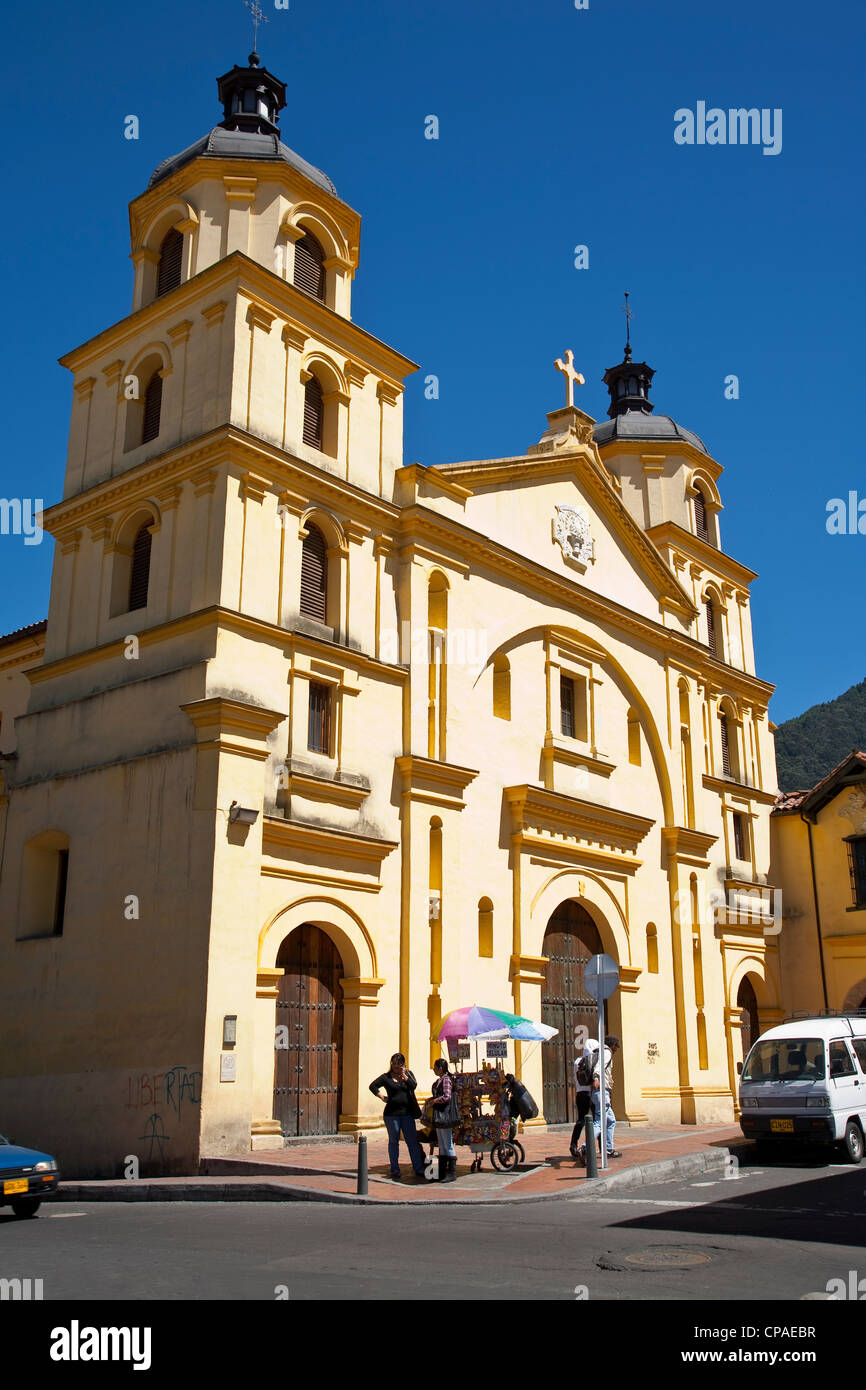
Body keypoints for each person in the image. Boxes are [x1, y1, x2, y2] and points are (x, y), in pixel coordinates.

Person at [369, 1053, 426, 1180]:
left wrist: (404, 1076)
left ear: (403, 1065)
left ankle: (418, 1167)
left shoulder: (408, 1075)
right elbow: (372, 1086)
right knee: (393, 1141)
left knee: (412, 1141)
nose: (396, 1066)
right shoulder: (386, 1077)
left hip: (407, 1114)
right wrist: (381, 1096)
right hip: (391, 1114)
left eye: (398, 1064)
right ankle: (394, 1168)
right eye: (394, 1063)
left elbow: (414, 1086)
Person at [578, 1036, 622, 1162]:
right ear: (612, 1044)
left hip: (599, 1092)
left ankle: (609, 1148)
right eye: (616, 1046)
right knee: (599, 1121)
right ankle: (585, 1147)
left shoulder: (597, 1051)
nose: (616, 1049)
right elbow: (599, 1066)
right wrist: (596, 1077)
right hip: (602, 1091)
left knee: (610, 1120)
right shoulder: (606, 1052)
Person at [431, 1058, 457, 1182]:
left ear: (440, 1068)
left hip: (445, 1115)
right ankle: (442, 1171)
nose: (434, 1070)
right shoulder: (440, 1080)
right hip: (439, 1116)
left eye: (435, 1067)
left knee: (448, 1144)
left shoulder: (446, 1080)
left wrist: (435, 1101)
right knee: (442, 1144)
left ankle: (451, 1173)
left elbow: (447, 1096)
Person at [570, 1037, 597, 1158]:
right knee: (597, 1121)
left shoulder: (577, 1061)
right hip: (591, 1092)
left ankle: (573, 1145)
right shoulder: (593, 1061)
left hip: (580, 1093)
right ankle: (601, 1147)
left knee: (580, 1121)